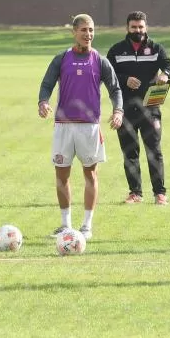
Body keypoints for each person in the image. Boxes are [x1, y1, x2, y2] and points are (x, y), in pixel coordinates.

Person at [38, 14, 124, 240]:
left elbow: (115, 89)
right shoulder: (61, 59)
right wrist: (43, 102)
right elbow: (47, 83)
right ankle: (66, 225)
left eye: (92, 30)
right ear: (74, 32)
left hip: (89, 128)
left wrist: (118, 111)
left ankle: (86, 226)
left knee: (90, 175)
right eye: (84, 30)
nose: (89, 35)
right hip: (63, 126)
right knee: (61, 175)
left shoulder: (100, 60)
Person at [106, 11, 170, 205]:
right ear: (127, 28)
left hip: (150, 107)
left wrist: (166, 74)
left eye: (141, 27)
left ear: (146, 28)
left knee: (154, 151)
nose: (138, 30)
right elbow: (107, 73)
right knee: (130, 152)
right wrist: (124, 79)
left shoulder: (155, 49)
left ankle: (160, 193)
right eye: (134, 27)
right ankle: (135, 193)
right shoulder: (117, 50)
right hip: (125, 108)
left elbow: (169, 64)